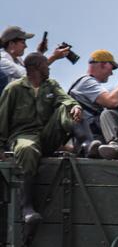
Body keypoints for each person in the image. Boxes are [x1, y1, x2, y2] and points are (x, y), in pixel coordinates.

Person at [0, 53, 83, 223]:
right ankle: (27, 206)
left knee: (66, 108)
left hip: (47, 135)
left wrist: (74, 106)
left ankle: (85, 144)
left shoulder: (51, 85)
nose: (49, 67)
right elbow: (2, 118)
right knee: (27, 149)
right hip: (24, 135)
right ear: (36, 67)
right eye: (46, 65)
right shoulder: (14, 89)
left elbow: (65, 99)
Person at [67, 50, 118, 159]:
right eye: (112, 68)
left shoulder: (84, 83)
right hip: (93, 136)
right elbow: (112, 102)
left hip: (90, 138)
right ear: (103, 64)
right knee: (108, 114)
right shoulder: (86, 82)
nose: (112, 73)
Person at [0, 26, 71, 84]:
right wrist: (54, 57)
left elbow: (32, 68)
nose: (25, 46)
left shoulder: (17, 59)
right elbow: (31, 75)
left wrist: (39, 53)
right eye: (23, 42)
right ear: (12, 44)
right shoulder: (2, 60)